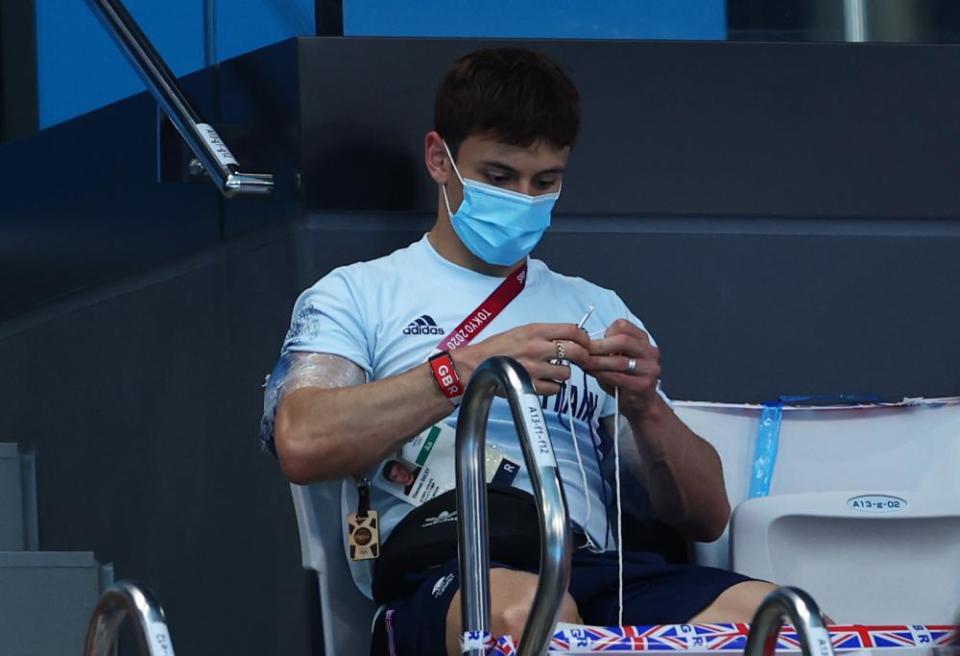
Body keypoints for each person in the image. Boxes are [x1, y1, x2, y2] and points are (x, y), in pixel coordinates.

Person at [261, 47, 776, 656]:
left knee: (776, 620)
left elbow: (707, 516)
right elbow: (300, 441)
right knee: (533, 614)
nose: (523, 199)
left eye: (545, 182)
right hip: (447, 565)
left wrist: (645, 408)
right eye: (499, 178)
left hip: (597, 566)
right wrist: (465, 370)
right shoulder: (357, 294)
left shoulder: (598, 306)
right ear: (439, 159)